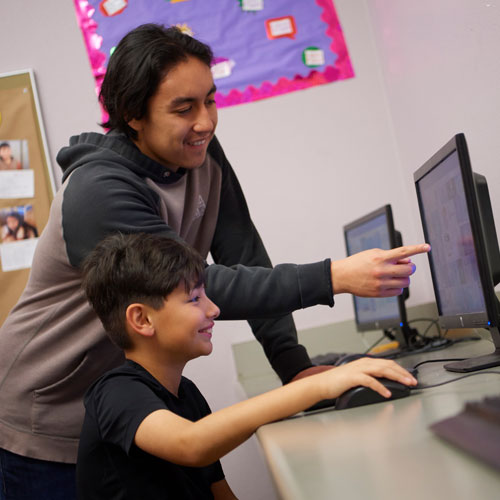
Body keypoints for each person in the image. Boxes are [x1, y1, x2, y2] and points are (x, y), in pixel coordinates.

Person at [0, 24, 429, 499]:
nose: (204, 121)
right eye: (183, 108)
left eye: (210, 100)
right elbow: (201, 284)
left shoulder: (199, 153)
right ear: (131, 114)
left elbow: (242, 251)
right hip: (43, 416)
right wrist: (335, 277)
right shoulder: (98, 190)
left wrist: (293, 365)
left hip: (135, 402)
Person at [77, 232, 418, 499]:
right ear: (141, 319)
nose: (214, 310)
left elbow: (220, 493)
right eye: (195, 299)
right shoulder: (114, 393)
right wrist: (321, 384)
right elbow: (190, 444)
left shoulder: (187, 395)